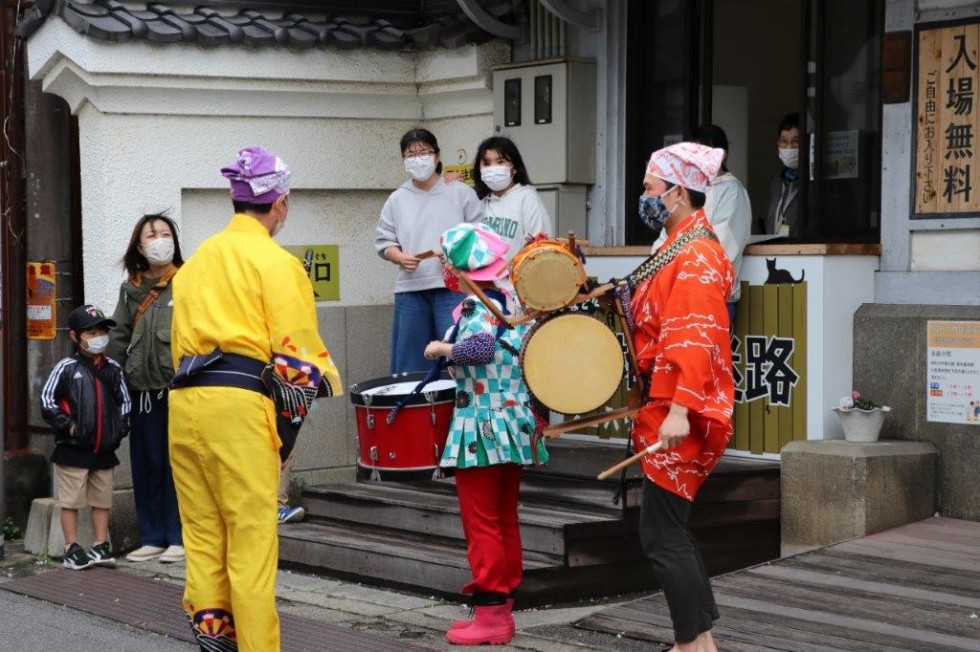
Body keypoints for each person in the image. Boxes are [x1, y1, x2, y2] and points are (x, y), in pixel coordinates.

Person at [169, 146, 342, 652]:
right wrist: (286, 434)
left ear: (236, 200)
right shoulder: (277, 262)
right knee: (251, 543)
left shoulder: (197, 260)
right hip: (240, 406)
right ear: (280, 202)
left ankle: (214, 645)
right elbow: (299, 363)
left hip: (185, 405)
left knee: (203, 540)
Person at [423, 223, 549, 647]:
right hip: (514, 424)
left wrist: (442, 350)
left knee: (482, 523)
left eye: (447, 264)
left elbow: (480, 350)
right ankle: (502, 605)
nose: (445, 272)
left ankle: (492, 615)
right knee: (502, 517)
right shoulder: (511, 301)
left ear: (462, 269)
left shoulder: (479, 309)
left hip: (481, 425)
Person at [632, 142, 735, 652]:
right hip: (669, 405)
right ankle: (700, 641)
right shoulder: (680, 243)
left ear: (677, 192)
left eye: (650, 188)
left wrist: (678, 411)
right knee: (670, 528)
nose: (644, 196)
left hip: (681, 410)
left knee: (662, 533)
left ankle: (692, 644)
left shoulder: (694, 253)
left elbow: (694, 337)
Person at [107, 214, 184, 564]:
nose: (159, 240)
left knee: (179, 464)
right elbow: (119, 336)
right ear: (139, 245)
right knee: (147, 462)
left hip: (180, 389)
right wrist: (110, 378)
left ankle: (179, 536)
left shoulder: (189, 281)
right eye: (151, 235)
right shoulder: (131, 288)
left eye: (165, 234)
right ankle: (152, 535)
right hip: (142, 391)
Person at [375, 128, 483, 375]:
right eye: (410, 154)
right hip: (410, 290)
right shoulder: (397, 199)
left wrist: (458, 256)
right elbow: (384, 242)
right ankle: (413, 411)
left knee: (457, 358)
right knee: (411, 364)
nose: (417, 158)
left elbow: (479, 235)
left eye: (423, 152)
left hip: (455, 287)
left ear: (437, 156)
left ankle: (460, 411)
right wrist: (399, 257)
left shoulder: (461, 192)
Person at [40, 304, 131, 571]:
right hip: (73, 449)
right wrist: (69, 427)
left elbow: (125, 402)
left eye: (102, 330)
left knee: (102, 500)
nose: (98, 337)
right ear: (74, 336)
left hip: (105, 450)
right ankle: (72, 547)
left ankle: (100, 545)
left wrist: (120, 429)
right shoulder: (66, 368)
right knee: (71, 501)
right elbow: (47, 401)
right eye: (90, 332)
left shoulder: (113, 368)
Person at [651, 125, 751, 325]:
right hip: (675, 297)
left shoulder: (732, 191)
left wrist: (679, 259)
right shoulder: (683, 191)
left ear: (722, 155)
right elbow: (661, 244)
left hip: (711, 298)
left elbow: (719, 250)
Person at [472, 135, 553, 305]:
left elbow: (539, 245)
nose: (493, 168)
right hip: (484, 293)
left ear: (514, 167)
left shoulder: (526, 198)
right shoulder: (479, 201)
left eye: (500, 162)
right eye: (486, 163)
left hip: (520, 293)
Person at [766, 112, 801, 237]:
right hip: (777, 251)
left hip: (804, 253)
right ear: (778, 144)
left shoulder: (815, 181)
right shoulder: (778, 180)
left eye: (796, 141)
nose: (790, 147)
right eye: (784, 141)